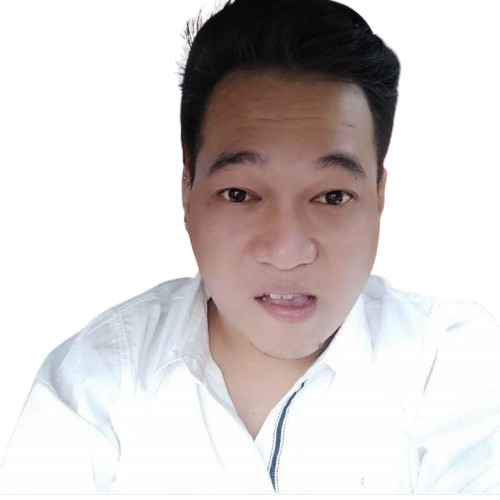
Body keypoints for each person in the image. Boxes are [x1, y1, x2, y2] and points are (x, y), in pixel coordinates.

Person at [1, 0, 499, 494]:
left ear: (380, 198)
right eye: (239, 194)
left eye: (332, 196)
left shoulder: (453, 361)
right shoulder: (94, 383)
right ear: (187, 194)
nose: (287, 252)